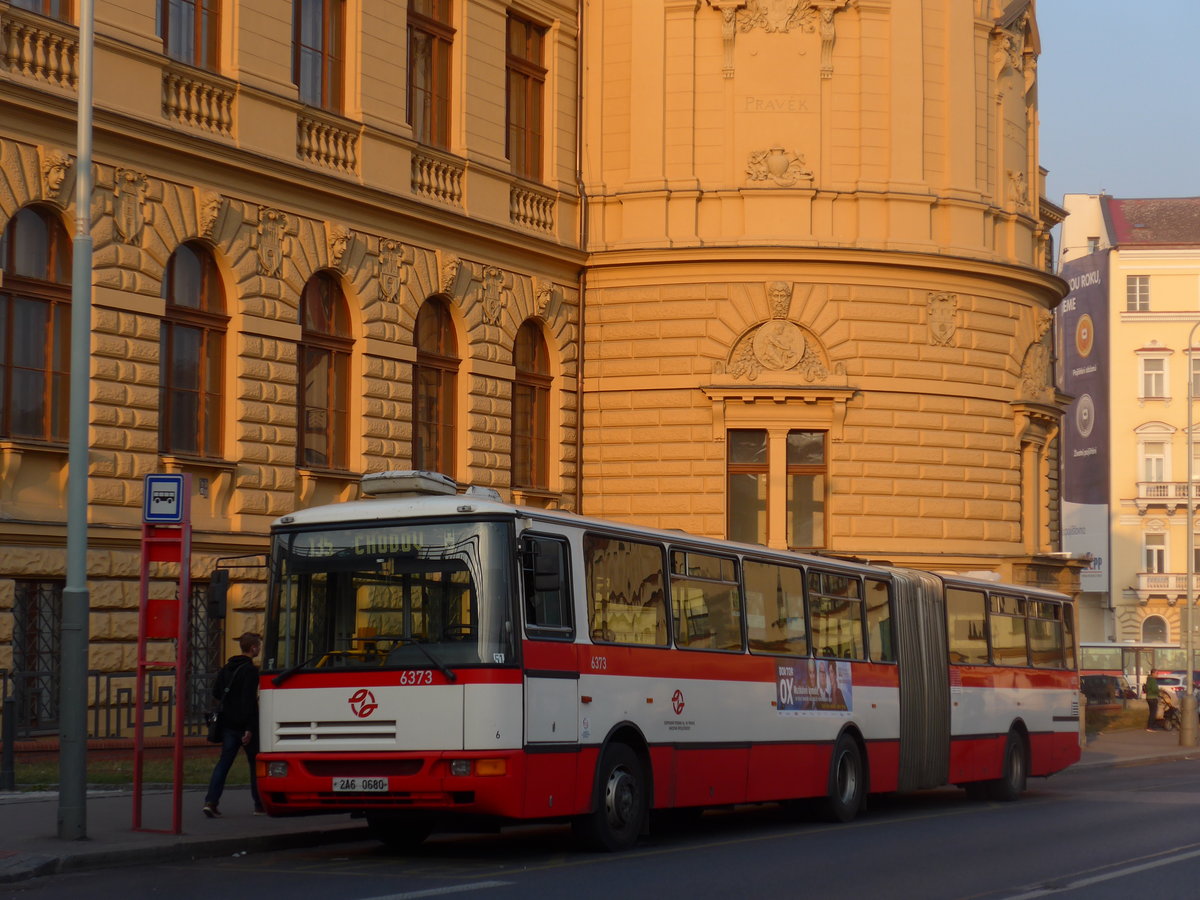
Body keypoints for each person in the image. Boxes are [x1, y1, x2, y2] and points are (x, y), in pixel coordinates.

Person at [203, 632, 263, 817]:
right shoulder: (250, 671)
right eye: (258, 646)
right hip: (245, 726)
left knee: (224, 763)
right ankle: (259, 805)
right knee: (255, 765)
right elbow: (249, 702)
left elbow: (216, 692)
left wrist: (230, 704)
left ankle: (211, 802)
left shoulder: (227, 667)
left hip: (228, 724)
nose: (259, 649)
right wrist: (250, 728)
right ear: (253, 648)